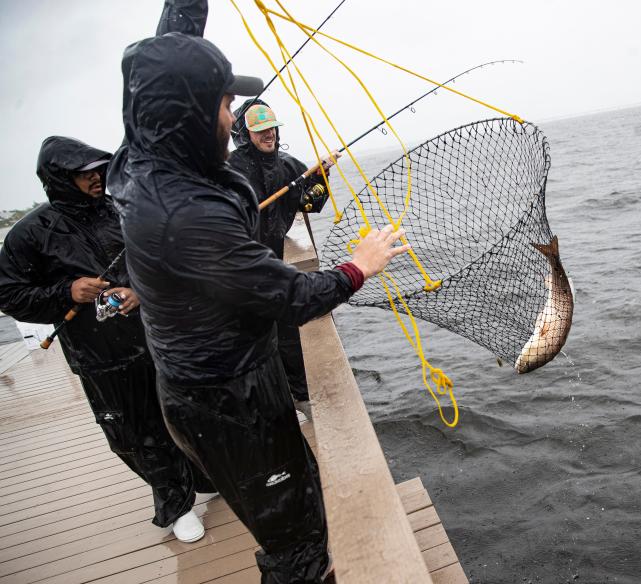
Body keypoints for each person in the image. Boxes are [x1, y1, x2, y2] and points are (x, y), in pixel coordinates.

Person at [109, 30, 409, 583]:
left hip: (216, 375)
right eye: (226, 106)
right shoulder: (189, 216)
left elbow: (166, 50)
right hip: (227, 400)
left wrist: (313, 181)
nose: (232, 116)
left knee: (301, 489)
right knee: (294, 539)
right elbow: (296, 297)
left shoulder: (137, 161)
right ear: (193, 114)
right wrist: (359, 266)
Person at [0, 136, 214, 543]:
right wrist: (66, 292)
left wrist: (137, 288)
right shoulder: (30, 234)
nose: (96, 178)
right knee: (136, 432)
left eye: (99, 169)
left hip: (159, 336)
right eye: (84, 174)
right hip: (101, 357)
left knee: (189, 412)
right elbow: (9, 294)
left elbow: (163, 257)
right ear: (59, 179)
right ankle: (177, 505)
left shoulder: (123, 208)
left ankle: (202, 478)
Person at [228, 100, 335, 420]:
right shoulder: (228, 169)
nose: (269, 134)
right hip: (240, 262)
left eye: (272, 127)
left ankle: (299, 395)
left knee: (286, 328)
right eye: (260, 130)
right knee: (250, 334)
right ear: (246, 134)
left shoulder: (289, 165)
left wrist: (320, 180)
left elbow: (308, 203)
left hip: (274, 259)